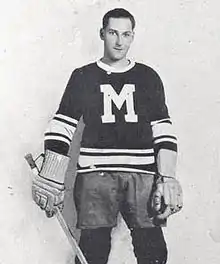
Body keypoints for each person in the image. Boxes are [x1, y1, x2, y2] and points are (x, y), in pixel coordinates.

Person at [32, 8, 183, 264]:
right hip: (94, 175)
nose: (119, 41)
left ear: (133, 36)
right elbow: (62, 125)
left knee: (153, 250)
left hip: (143, 176)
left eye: (126, 34)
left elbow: (163, 130)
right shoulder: (83, 76)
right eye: (113, 32)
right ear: (102, 33)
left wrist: (167, 177)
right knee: (93, 249)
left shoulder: (148, 76)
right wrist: (51, 173)